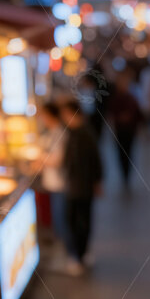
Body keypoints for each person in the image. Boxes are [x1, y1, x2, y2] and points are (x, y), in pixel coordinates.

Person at [59, 98, 103, 276]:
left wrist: (97, 181)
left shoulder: (84, 134)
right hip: (78, 184)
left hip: (80, 186)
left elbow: (95, 160)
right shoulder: (76, 132)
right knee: (79, 220)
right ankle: (81, 254)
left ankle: (79, 256)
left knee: (77, 221)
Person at [37, 102, 68, 256]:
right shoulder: (51, 132)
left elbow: (57, 160)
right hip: (53, 182)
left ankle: (64, 252)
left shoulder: (59, 133)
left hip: (59, 183)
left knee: (60, 218)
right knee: (57, 216)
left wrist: (40, 158)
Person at [107, 71, 141, 192]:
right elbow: (111, 114)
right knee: (121, 153)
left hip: (130, 131)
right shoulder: (115, 99)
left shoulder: (132, 98)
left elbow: (138, 114)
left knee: (129, 152)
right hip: (119, 131)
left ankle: (127, 174)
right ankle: (124, 174)